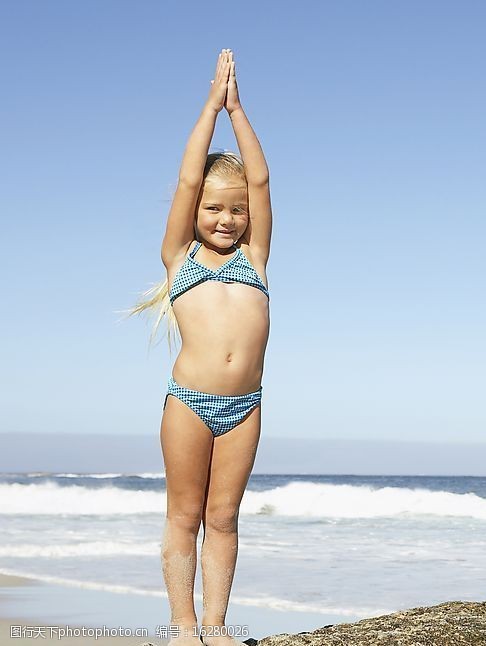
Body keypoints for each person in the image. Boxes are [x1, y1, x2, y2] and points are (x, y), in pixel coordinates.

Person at [125, 48, 272, 646]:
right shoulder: (180, 259)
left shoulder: (255, 259)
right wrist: (211, 107)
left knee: (225, 519)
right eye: (215, 208)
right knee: (185, 516)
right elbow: (189, 178)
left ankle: (215, 627)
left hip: (245, 406)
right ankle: (182, 626)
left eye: (236, 210)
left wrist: (240, 113)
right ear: (194, 214)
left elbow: (260, 179)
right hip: (187, 402)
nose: (228, 218)